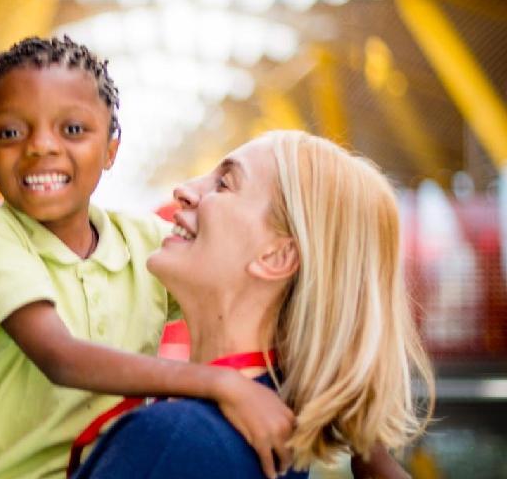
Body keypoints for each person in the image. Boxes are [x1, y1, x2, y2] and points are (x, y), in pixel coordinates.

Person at [0, 36, 294, 479]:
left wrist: (361, 435)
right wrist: (221, 383)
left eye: (72, 129)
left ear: (111, 150)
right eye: (10, 132)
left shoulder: (142, 241)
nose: (40, 146)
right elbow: (61, 357)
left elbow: (270, 292)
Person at [74, 130, 435, 478]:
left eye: (224, 183)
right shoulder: (272, 426)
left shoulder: (173, 441)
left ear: (277, 256)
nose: (183, 190)